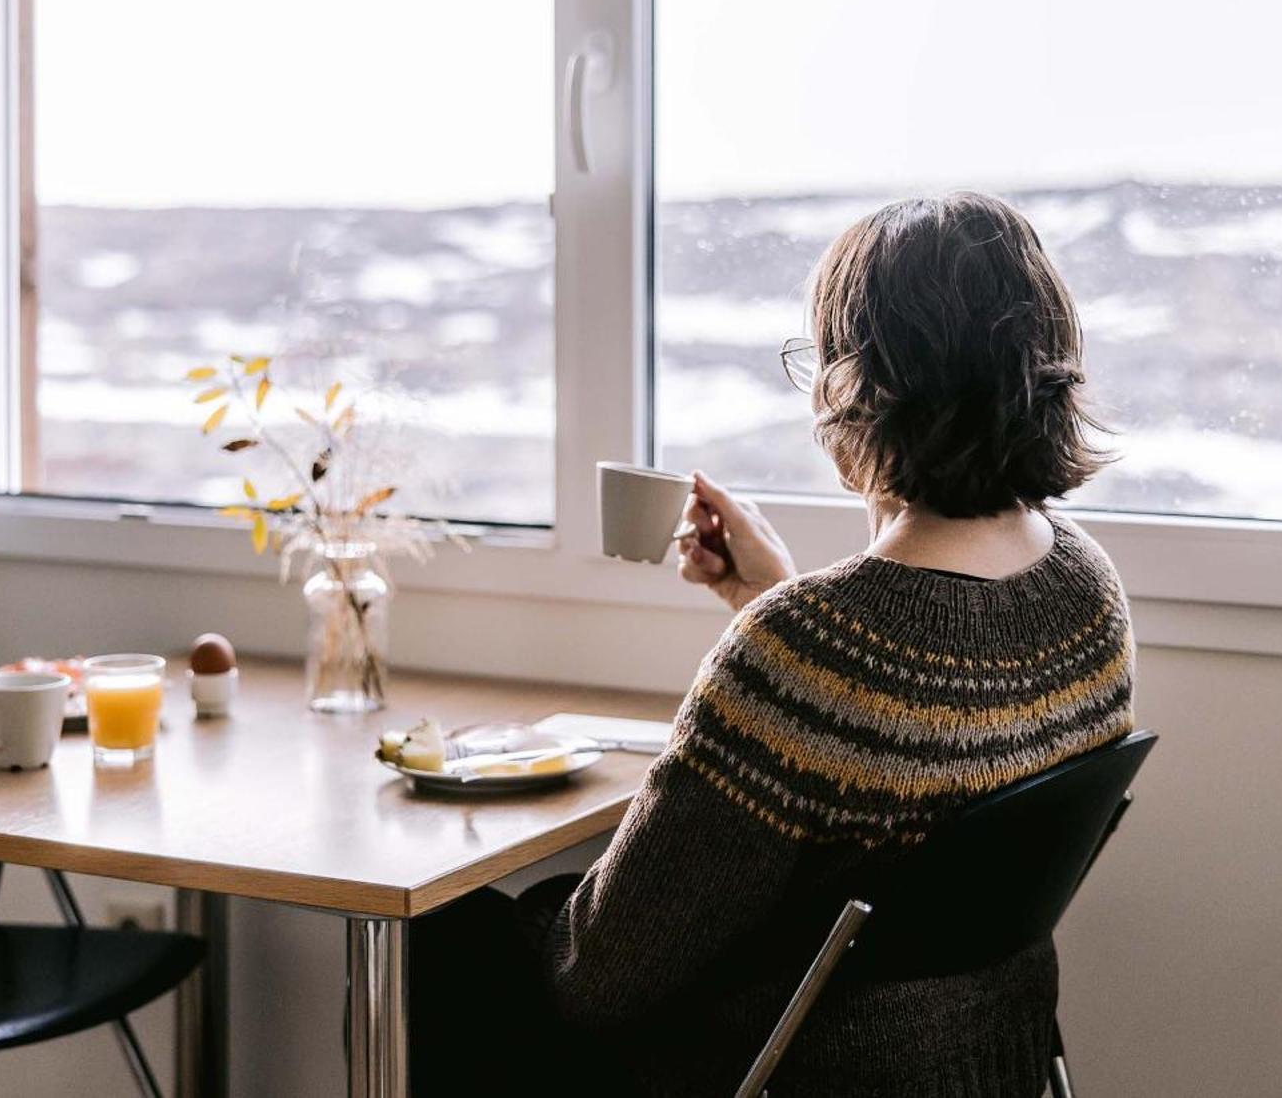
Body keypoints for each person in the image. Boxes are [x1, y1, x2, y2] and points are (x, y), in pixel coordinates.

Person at [410, 193, 1137, 1097]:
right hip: (990, 1061)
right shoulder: (1085, 588)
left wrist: (778, 621)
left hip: (790, 1068)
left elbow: (598, 977)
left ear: (858, 388)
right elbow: (906, 733)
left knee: (440, 939)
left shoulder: (805, 651)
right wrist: (765, 595)